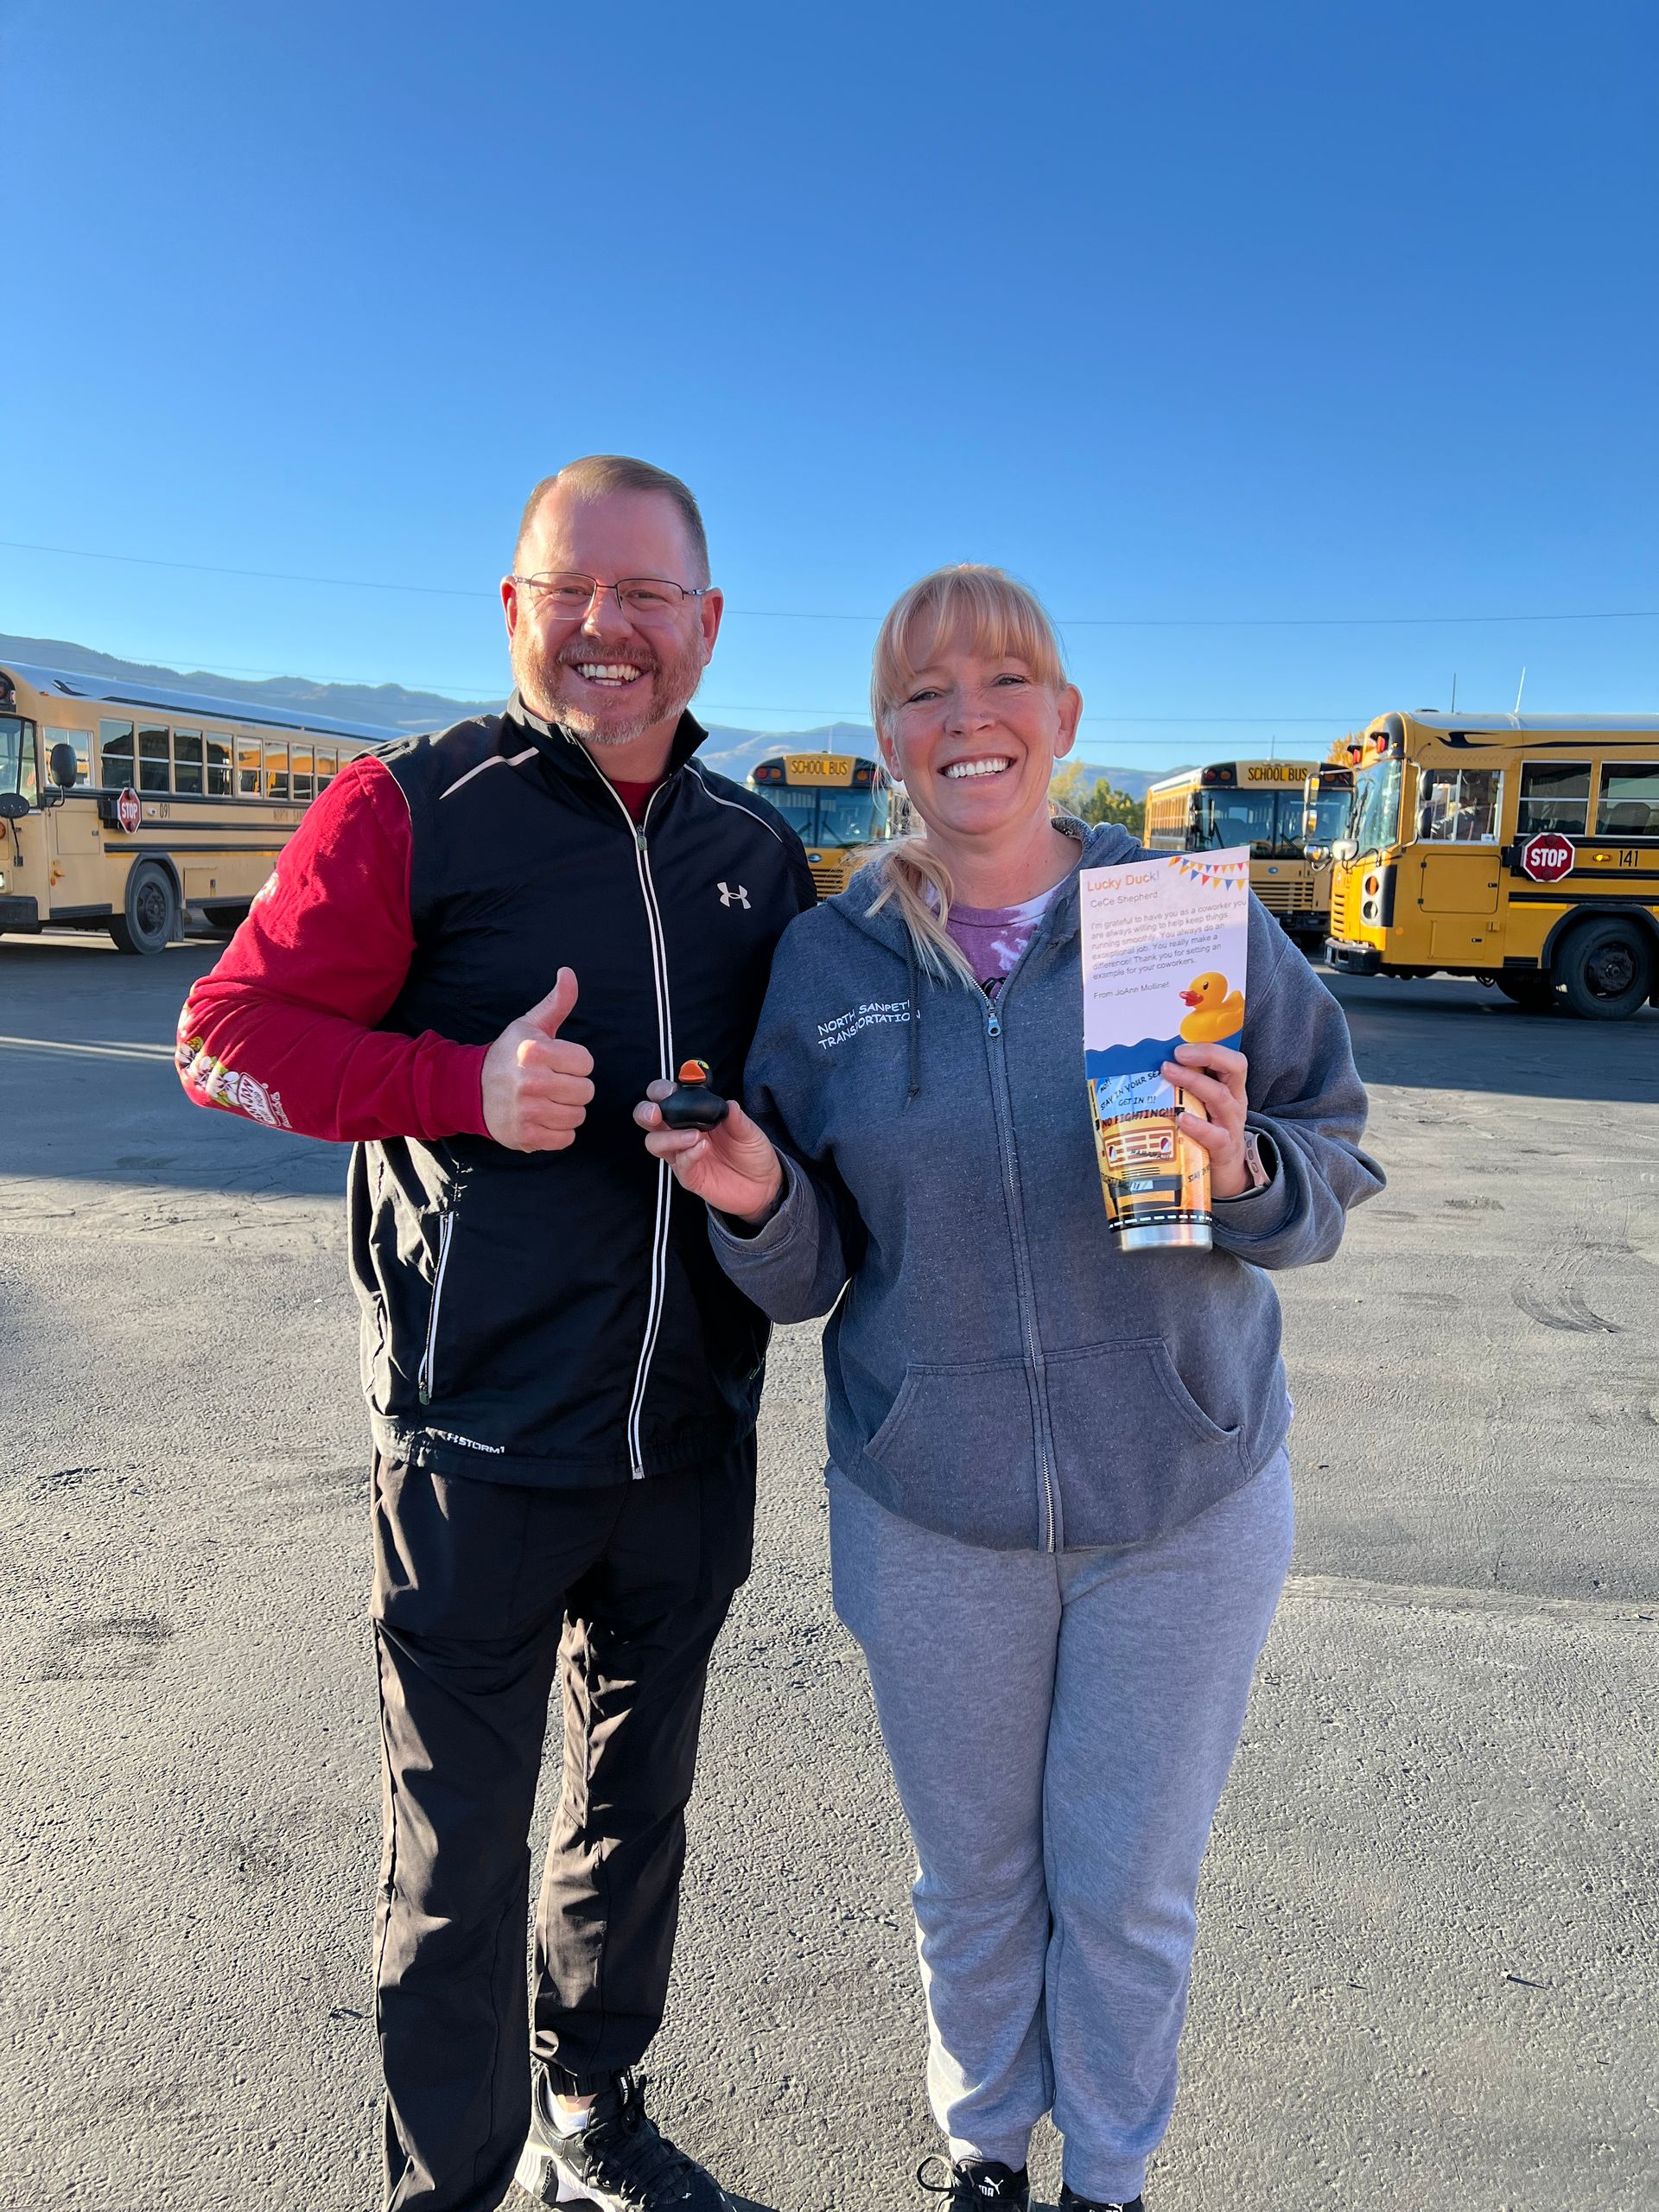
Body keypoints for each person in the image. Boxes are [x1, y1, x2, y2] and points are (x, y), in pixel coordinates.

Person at [636, 565, 1384, 2211]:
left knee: (1122, 1888)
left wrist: (1249, 1163)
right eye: (923, 693)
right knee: (973, 1881)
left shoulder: (1181, 924)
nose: (965, 717)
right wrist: (759, 1198)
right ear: (892, 739)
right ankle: (984, 2153)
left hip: (1180, 1501)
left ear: (1062, 720)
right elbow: (816, 1270)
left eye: (1002, 683)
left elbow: (1332, 1156)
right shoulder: (828, 969)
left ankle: (1106, 2178)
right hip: (935, 1515)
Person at [175, 455, 816, 2212]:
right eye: (569, 589)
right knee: (451, 1872)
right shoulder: (415, 807)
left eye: (646, 595)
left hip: (687, 1437)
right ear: (515, 609)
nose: (607, 628)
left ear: (706, 622)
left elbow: (836, 1108)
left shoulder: (760, 852)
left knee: (634, 1814)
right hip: (469, 1448)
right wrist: (459, 1083)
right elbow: (222, 1031)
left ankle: (592, 2110)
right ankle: (445, 2187)